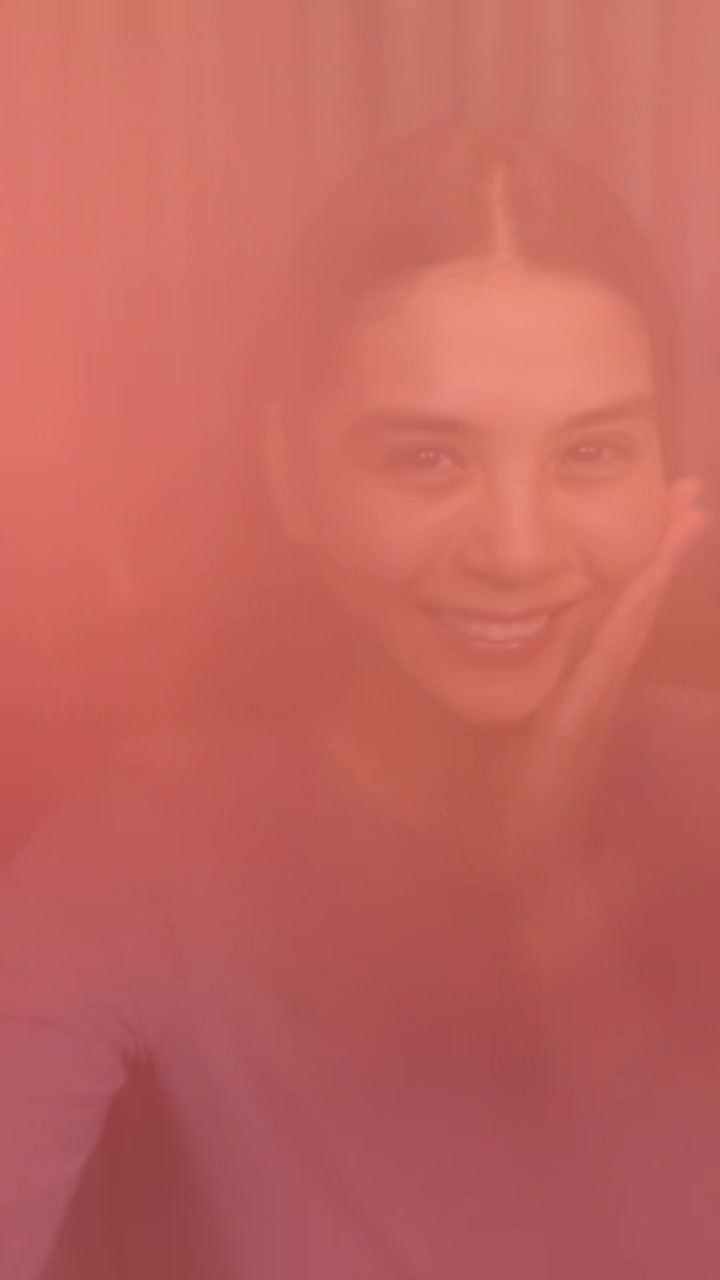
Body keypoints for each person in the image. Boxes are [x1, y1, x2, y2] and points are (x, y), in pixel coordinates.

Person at [1, 122, 719, 1279]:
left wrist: (553, 917)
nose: (518, 550)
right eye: (428, 457)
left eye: (591, 452)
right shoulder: (140, 857)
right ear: (294, 476)